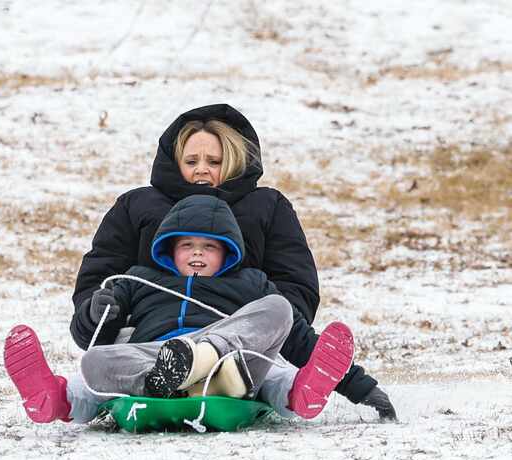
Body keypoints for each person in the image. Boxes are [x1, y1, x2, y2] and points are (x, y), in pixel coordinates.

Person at [70, 104, 396, 420]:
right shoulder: (138, 209)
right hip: (154, 337)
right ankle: (73, 398)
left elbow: (293, 284)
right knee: (95, 362)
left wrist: (265, 325)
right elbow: (102, 277)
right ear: (174, 162)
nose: (202, 169)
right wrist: (99, 311)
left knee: (277, 326)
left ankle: (285, 387)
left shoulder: (265, 208)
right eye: (191, 160)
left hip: (239, 344)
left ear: (233, 160)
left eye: (214, 160)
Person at [4, 195, 357, 425]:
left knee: (278, 315)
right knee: (94, 363)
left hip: (231, 359)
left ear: (229, 252)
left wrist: (347, 376)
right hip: (157, 356)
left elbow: (287, 332)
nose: (198, 254)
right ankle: (54, 399)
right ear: (169, 250)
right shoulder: (138, 279)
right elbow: (88, 337)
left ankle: (302, 391)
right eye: (187, 245)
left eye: (209, 247)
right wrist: (98, 311)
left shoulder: (249, 281)